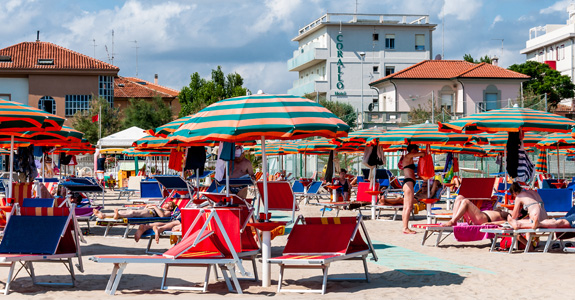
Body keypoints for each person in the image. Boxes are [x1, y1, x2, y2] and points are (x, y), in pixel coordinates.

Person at [441, 195, 510, 227]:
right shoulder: (503, 211)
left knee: (466, 202)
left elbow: (507, 223)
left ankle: (453, 221)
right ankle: (453, 220)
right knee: (459, 197)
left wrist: (491, 224)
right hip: (478, 217)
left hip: (484, 219)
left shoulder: (510, 216)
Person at [401, 144, 425, 234]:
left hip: (409, 182)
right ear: (413, 150)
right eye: (416, 150)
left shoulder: (409, 158)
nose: (417, 151)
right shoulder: (408, 156)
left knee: (406, 207)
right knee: (408, 207)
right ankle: (405, 228)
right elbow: (422, 154)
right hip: (409, 183)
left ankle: (405, 227)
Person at [93, 201, 176, 220]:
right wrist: (148, 206)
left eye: (168, 204)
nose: (165, 203)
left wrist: (154, 207)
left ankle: (115, 215)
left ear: (171, 208)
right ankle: (103, 215)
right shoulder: (160, 208)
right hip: (146, 211)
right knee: (125, 211)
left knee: (132, 212)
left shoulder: (168, 212)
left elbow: (162, 216)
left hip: (150, 213)